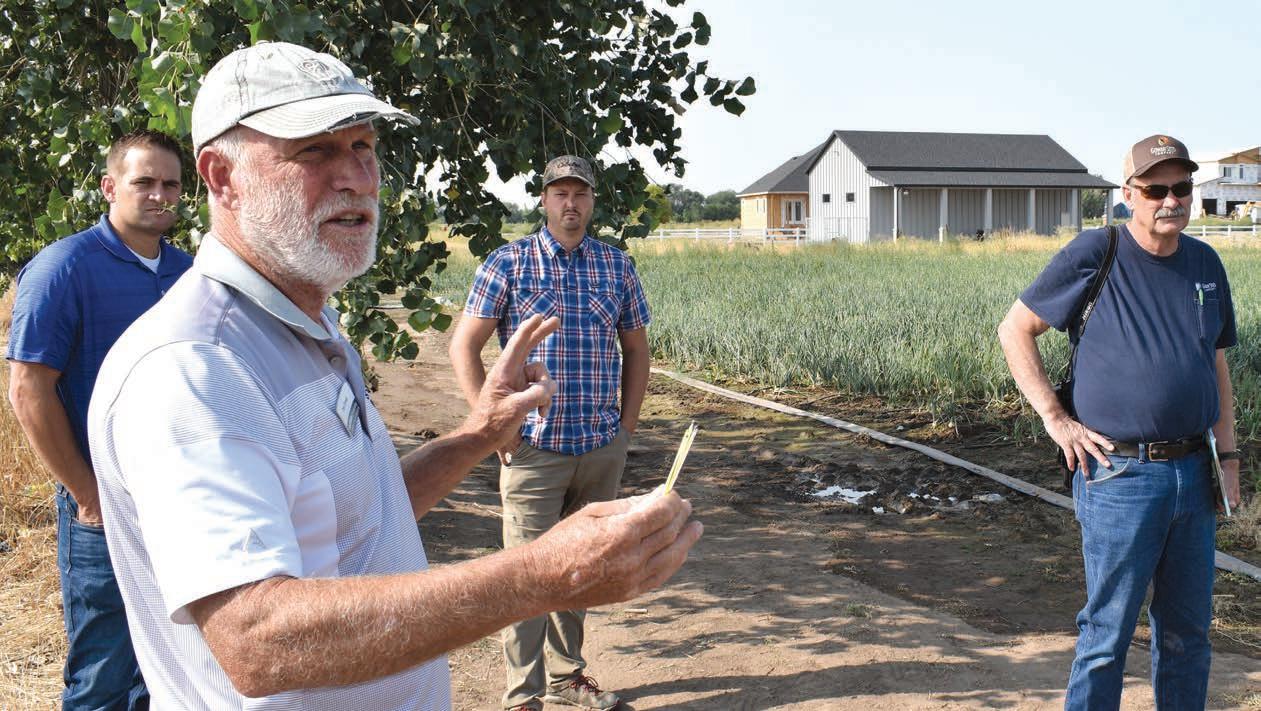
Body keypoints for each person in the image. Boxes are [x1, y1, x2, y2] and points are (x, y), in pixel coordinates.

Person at [87, 41, 700, 711]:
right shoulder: (194, 365)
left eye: (363, 147)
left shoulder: (308, 323)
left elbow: (362, 518)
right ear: (221, 176)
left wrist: (477, 433)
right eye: (314, 151)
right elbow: (256, 640)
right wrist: (543, 574)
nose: (357, 177)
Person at [997, 134, 1239, 711]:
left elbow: (1216, 365)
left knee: (1188, 635)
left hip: (1194, 473)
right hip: (1119, 475)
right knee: (1107, 634)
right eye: (1156, 190)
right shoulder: (1096, 252)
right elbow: (1015, 329)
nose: (1171, 200)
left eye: (1182, 188)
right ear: (1129, 194)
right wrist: (1056, 419)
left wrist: (1229, 460)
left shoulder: (1205, 264)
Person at [450, 155, 652, 711]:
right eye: (560, 194)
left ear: (592, 201)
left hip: (600, 446)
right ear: (543, 200)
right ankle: (523, 696)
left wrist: (625, 429)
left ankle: (567, 677)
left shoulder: (616, 266)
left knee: (583, 568)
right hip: (534, 448)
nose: (571, 204)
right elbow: (464, 347)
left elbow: (636, 350)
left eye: (580, 194)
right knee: (524, 574)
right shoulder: (509, 263)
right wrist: (496, 430)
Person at [7, 128, 191, 710]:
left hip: (181, 502)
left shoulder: (189, 275)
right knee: (102, 679)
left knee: (167, 669)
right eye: (144, 182)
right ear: (110, 187)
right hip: (104, 507)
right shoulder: (63, 269)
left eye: (171, 184)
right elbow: (28, 391)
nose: (159, 195)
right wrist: (87, 496)